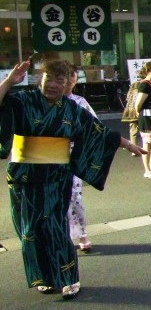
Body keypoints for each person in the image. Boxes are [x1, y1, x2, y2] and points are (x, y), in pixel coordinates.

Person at [0, 59, 143, 299]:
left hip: (56, 177)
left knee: (56, 228)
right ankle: (44, 277)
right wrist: (9, 81)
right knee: (30, 230)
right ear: (40, 80)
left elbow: (97, 130)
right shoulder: (22, 100)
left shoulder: (71, 109)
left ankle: (68, 278)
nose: (53, 85)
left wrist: (127, 144)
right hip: (24, 177)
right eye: (49, 79)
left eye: (60, 81)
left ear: (68, 85)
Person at [64, 66, 97, 252]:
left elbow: (95, 126)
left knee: (75, 197)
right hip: (48, 157)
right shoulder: (47, 101)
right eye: (66, 78)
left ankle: (82, 234)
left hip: (72, 155)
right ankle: (63, 236)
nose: (69, 82)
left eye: (73, 79)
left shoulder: (79, 102)